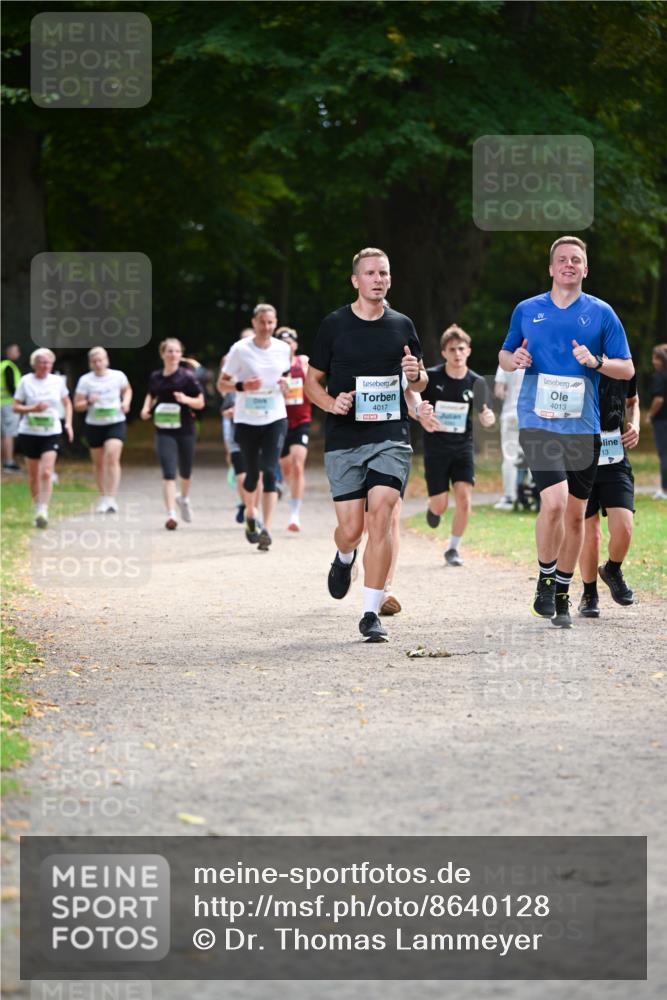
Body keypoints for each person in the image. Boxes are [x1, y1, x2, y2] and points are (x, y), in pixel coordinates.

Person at [498, 235, 634, 628]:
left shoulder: (602, 313)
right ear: (551, 268)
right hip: (537, 420)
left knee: (576, 516)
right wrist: (515, 358)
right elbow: (505, 355)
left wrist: (596, 361)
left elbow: (626, 368)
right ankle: (544, 577)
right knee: (554, 503)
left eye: (576, 259)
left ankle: (562, 589)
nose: (569, 265)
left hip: (583, 425)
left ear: (585, 269)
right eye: (562, 259)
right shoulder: (527, 310)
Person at [304, 246, 428, 643]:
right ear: (356, 280)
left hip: (390, 436)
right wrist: (330, 402)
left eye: (384, 273)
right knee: (352, 529)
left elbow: (418, 382)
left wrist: (417, 374)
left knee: (382, 515)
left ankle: (371, 612)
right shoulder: (334, 325)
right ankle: (344, 557)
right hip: (344, 437)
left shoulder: (402, 325)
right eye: (371, 273)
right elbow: (312, 381)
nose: (378, 279)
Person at [419, 324, 495, 566]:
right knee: (441, 506)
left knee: (464, 499)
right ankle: (433, 508)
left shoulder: (478, 382)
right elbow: (415, 407)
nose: (457, 353)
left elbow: (485, 412)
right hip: (436, 448)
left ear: (469, 351)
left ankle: (453, 549)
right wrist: (423, 417)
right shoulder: (431, 378)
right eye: (452, 349)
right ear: (444, 353)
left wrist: (488, 418)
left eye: (461, 348)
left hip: (462, 447)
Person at [218, 304, 291, 551]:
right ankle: (251, 513)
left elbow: (287, 377)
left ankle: (267, 530)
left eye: (271, 322)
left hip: (275, 416)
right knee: (251, 474)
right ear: (254, 322)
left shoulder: (283, 349)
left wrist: (285, 383)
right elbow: (221, 384)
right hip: (247, 418)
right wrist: (242, 387)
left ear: (275, 322)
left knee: (270, 470)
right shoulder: (240, 350)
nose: (267, 327)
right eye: (262, 322)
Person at [578, 373, 639, 617]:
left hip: (615, 459)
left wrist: (634, 424)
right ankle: (589, 593)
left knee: (624, 526)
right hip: (580, 459)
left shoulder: (623, 366)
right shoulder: (573, 363)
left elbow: (632, 401)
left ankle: (612, 569)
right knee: (590, 535)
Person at [140, 338, 205, 530]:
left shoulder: (187, 377)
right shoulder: (156, 376)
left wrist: (185, 399)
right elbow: (151, 394)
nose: (173, 354)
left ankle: (183, 498)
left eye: (176, 351)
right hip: (163, 430)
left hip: (185, 429)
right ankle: (171, 514)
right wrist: (145, 409)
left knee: (185, 471)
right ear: (162, 354)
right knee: (168, 473)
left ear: (181, 354)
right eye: (169, 351)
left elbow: (200, 402)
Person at [12, 348, 73, 527]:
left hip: (51, 431)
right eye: (41, 362)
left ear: (52, 364)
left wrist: (68, 423)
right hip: (29, 432)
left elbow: (67, 403)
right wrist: (33, 409)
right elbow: (16, 407)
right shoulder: (26, 381)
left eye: (48, 362)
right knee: (33, 475)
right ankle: (37, 506)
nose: (45, 366)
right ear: (34, 364)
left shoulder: (57, 382)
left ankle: (43, 509)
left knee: (46, 472)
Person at [74, 346, 132, 513]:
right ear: (90, 363)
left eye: (101, 360)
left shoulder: (118, 376)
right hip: (94, 425)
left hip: (115, 422)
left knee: (112, 457)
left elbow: (127, 390)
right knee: (99, 463)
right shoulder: (85, 380)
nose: (98, 363)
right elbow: (77, 405)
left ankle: (112, 498)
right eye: (95, 361)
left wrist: (125, 402)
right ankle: (103, 496)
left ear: (106, 360)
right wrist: (89, 402)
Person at [276, 327, 311, 531]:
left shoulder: (303, 362)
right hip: (279, 422)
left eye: (290, 342)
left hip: (301, 421)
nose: (287, 346)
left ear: (295, 345)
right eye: (283, 342)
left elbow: (315, 383)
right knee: (287, 468)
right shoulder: (272, 366)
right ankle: (288, 487)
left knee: (298, 464)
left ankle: (294, 514)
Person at [493, 364, 525, 509]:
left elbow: (499, 391)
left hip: (511, 414)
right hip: (530, 416)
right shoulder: (536, 357)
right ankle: (533, 496)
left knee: (510, 458)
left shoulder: (506, 361)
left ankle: (509, 497)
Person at [647, 343, 667, 500]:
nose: (653, 361)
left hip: (662, 420)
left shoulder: (660, 376)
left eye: (656, 358)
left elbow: (659, 399)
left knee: (664, 454)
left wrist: (650, 415)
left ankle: (664, 490)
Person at [1, 343, 22, 472]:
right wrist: (19, 400)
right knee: (9, 433)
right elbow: (11, 386)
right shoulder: (9, 366)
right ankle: (9, 462)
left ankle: (3, 461)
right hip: (8, 403)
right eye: (16, 350)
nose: (18, 353)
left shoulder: (1, 365)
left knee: (2, 434)